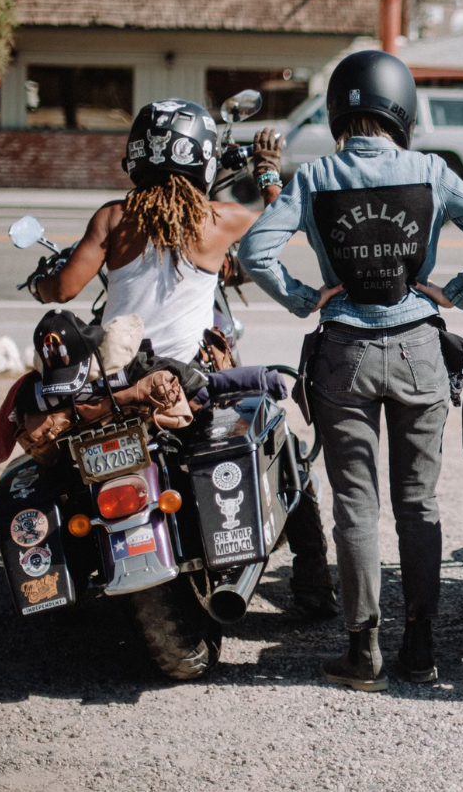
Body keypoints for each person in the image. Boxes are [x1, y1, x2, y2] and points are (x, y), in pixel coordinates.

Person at [237, 49, 463, 690]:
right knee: (419, 505)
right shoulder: (431, 172)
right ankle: (419, 649)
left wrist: (307, 299)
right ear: (404, 110)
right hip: (420, 346)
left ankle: (362, 652)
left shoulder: (315, 176)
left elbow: (256, 249)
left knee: (356, 510)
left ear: (339, 110)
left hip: (345, 355)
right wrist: (454, 291)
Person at [32, 97, 338, 618]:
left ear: (136, 156)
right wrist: (268, 173)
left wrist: (41, 283)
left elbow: (62, 288)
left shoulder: (112, 218)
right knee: (282, 437)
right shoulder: (220, 219)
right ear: (202, 160)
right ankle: (313, 581)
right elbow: (287, 223)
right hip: (187, 385)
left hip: (115, 384)